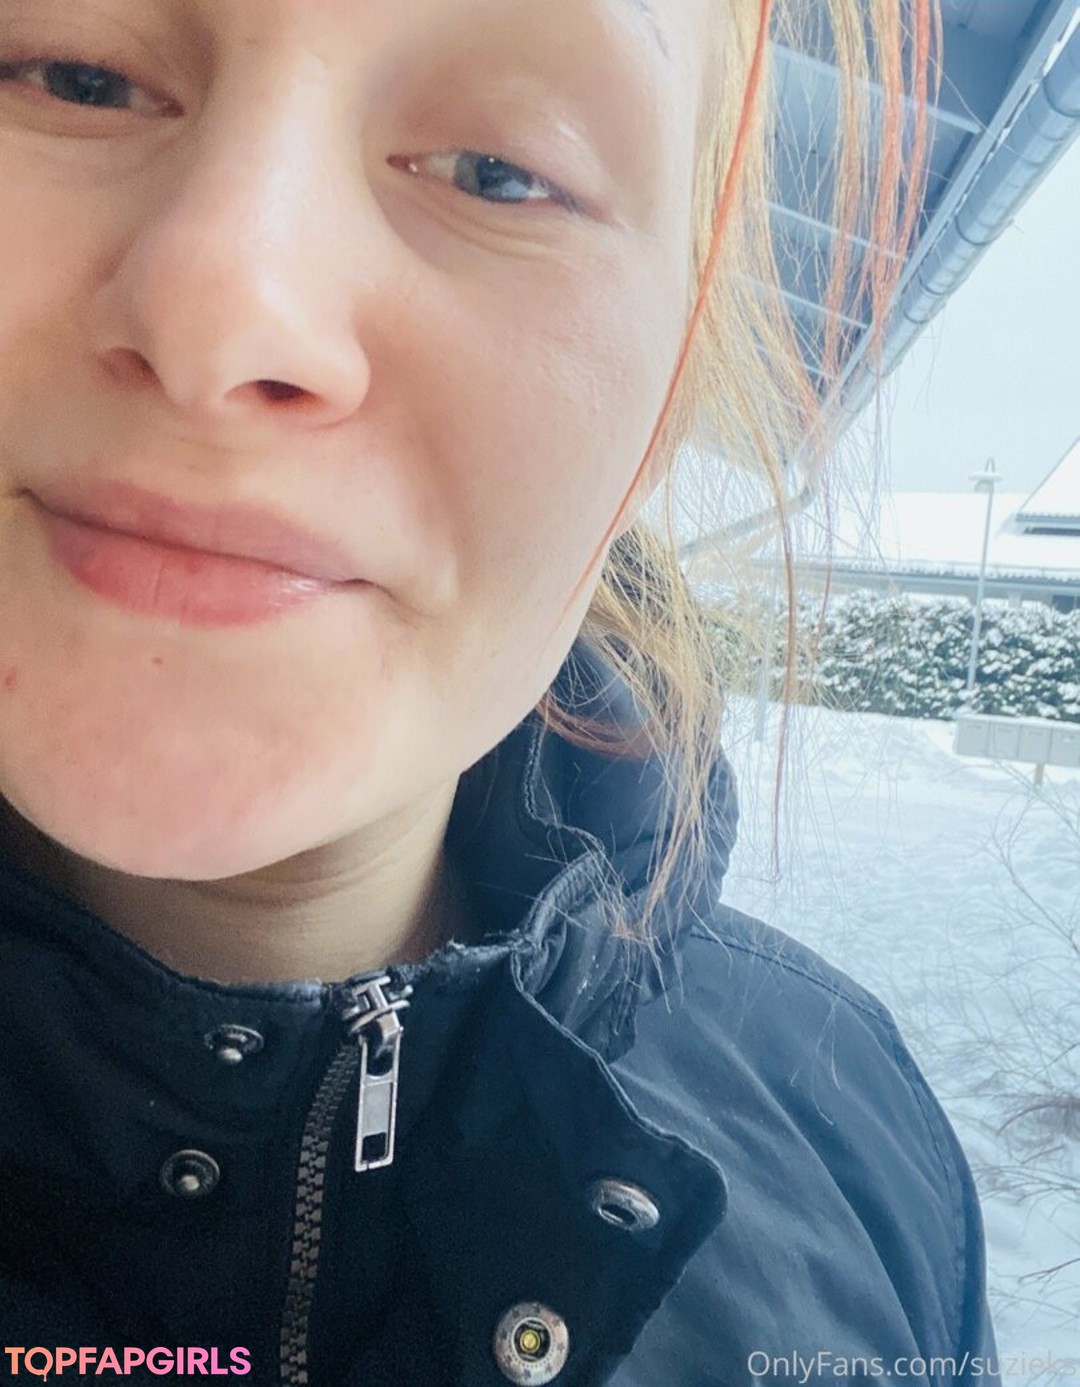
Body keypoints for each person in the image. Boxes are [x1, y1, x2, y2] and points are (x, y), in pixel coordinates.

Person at [0, 0, 1002, 1383]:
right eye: (78, 75)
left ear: (668, 394)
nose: (225, 313)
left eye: (499, 172)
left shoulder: (854, 1138)